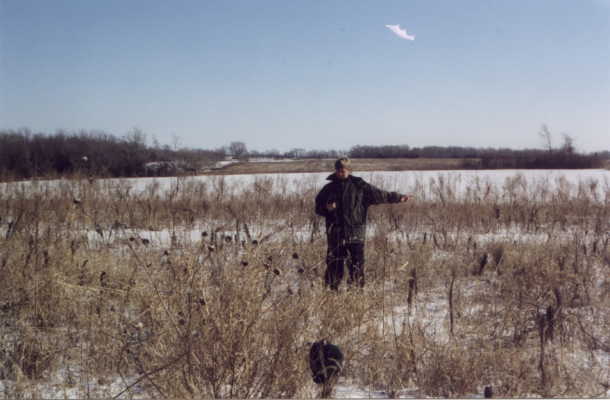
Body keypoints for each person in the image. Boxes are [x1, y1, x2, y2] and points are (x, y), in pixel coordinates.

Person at [315, 158, 408, 290]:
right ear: (335, 171)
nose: (341, 173)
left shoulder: (359, 186)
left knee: (357, 267)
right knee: (334, 266)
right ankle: (330, 295)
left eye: (344, 170)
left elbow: (380, 195)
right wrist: (327, 208)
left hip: (356, 234)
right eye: (338, 170)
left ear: (349, 170)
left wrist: (398, 197)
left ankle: (356, 294)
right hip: (335, 235)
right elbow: (318, 208)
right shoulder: (328, 189)